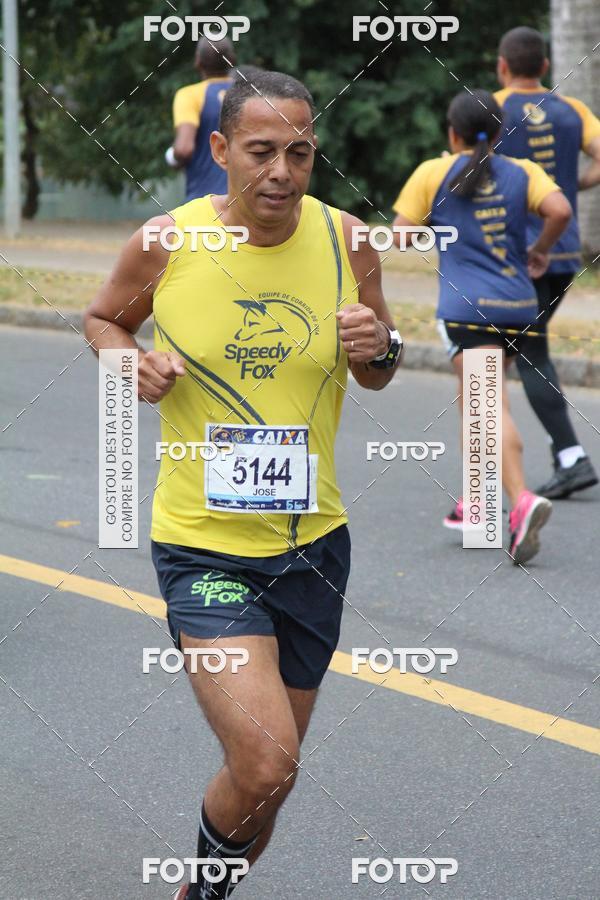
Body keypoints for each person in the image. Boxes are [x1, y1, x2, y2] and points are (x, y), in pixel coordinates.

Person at [84, 71, 403, 899]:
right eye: (261, 151)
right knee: (266, 757)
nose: (281, 172)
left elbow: (380, 369)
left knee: (271, 784)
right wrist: (132, 364)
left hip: (314, 547)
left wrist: (381, 346)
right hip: (202, 544)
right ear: (221, 150)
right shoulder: (168, 240)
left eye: (299, 152)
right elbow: (103, 319)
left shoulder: (347, 242)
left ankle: (208, 889)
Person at [391, 89, 572, 563]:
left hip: (466, 310)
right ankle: (478, 504)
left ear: (451, 133)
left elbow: (401, 236)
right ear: (500, 131)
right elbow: (560, 211)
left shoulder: (434, 172)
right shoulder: (523, 172)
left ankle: (520, 501)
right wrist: (542, 249)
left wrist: (441, 226)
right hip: (517, 305)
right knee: (483, 400)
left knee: (486, 405)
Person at [494, 26, 600, 498]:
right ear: (543, 67)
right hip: (563, 252)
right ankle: (550, 458)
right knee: (508, 353)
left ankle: (570, 458)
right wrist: (570, 190)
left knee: (523, 354)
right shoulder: (572, 109)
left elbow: (467, 170)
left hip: (516, 256)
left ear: (502, 65)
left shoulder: (490, 108)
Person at [165, 37, 236, 201]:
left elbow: (183, 149)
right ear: (231, 60)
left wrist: (171, 157)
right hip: (243, 204)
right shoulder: (248, 93)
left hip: (203, 202)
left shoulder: (189, 95)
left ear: (197, 61)